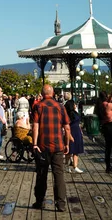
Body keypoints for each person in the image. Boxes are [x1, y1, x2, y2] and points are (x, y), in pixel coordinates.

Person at [31, 85, 70, 213]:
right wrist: (67, 143)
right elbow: (67, 127)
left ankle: (40, 201)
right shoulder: (60, 107)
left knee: (41, 174)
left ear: (42, 94)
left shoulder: (38, 106)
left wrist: (35, 143)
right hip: (58, 146)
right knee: (58, 174)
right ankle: (61, 204)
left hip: (42, 146)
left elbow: (35, 126)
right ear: (53, 93)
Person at [64, 99, 84, 173]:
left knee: (76, 150)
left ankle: (75, 166)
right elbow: (66, 126)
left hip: (77, 131)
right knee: (70, 150)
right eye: (74, 104)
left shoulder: (75, 112)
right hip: (71, 132)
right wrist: (69, 135)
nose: (75, 105)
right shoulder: (68, 115)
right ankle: (66, 165)